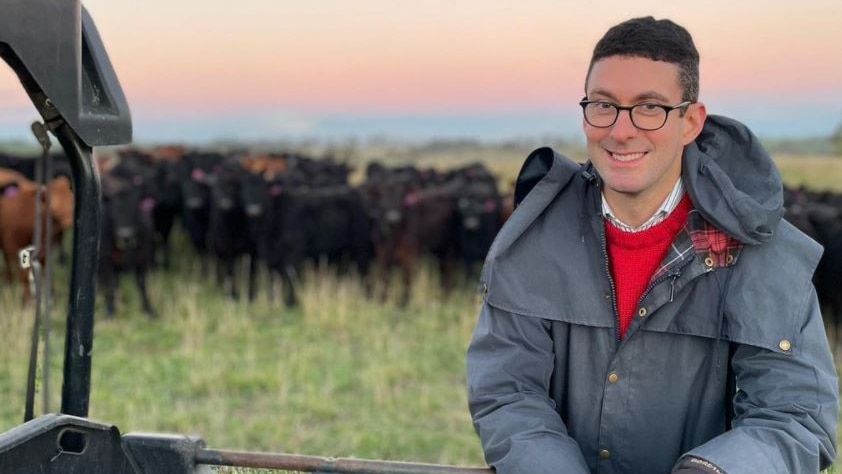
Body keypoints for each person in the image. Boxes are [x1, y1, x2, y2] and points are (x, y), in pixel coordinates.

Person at [465, 16, 838, 474]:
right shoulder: (532, 241)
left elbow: (795, 418)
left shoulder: (763, 255)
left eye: (650, 108)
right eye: (603, 105)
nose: (621, 131)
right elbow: (507, 392)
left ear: (690, 121)